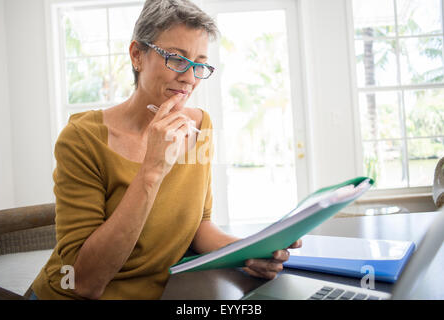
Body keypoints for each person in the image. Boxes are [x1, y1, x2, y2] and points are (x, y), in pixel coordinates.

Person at [30, 0, 302, 300]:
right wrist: (152, 168)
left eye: (200, 64)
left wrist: (249, 252)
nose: (189, 78)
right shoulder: (82, 139)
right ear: (137, 55)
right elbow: (84, 282)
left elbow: (199, 225)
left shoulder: (200, 127)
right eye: (177, 60)